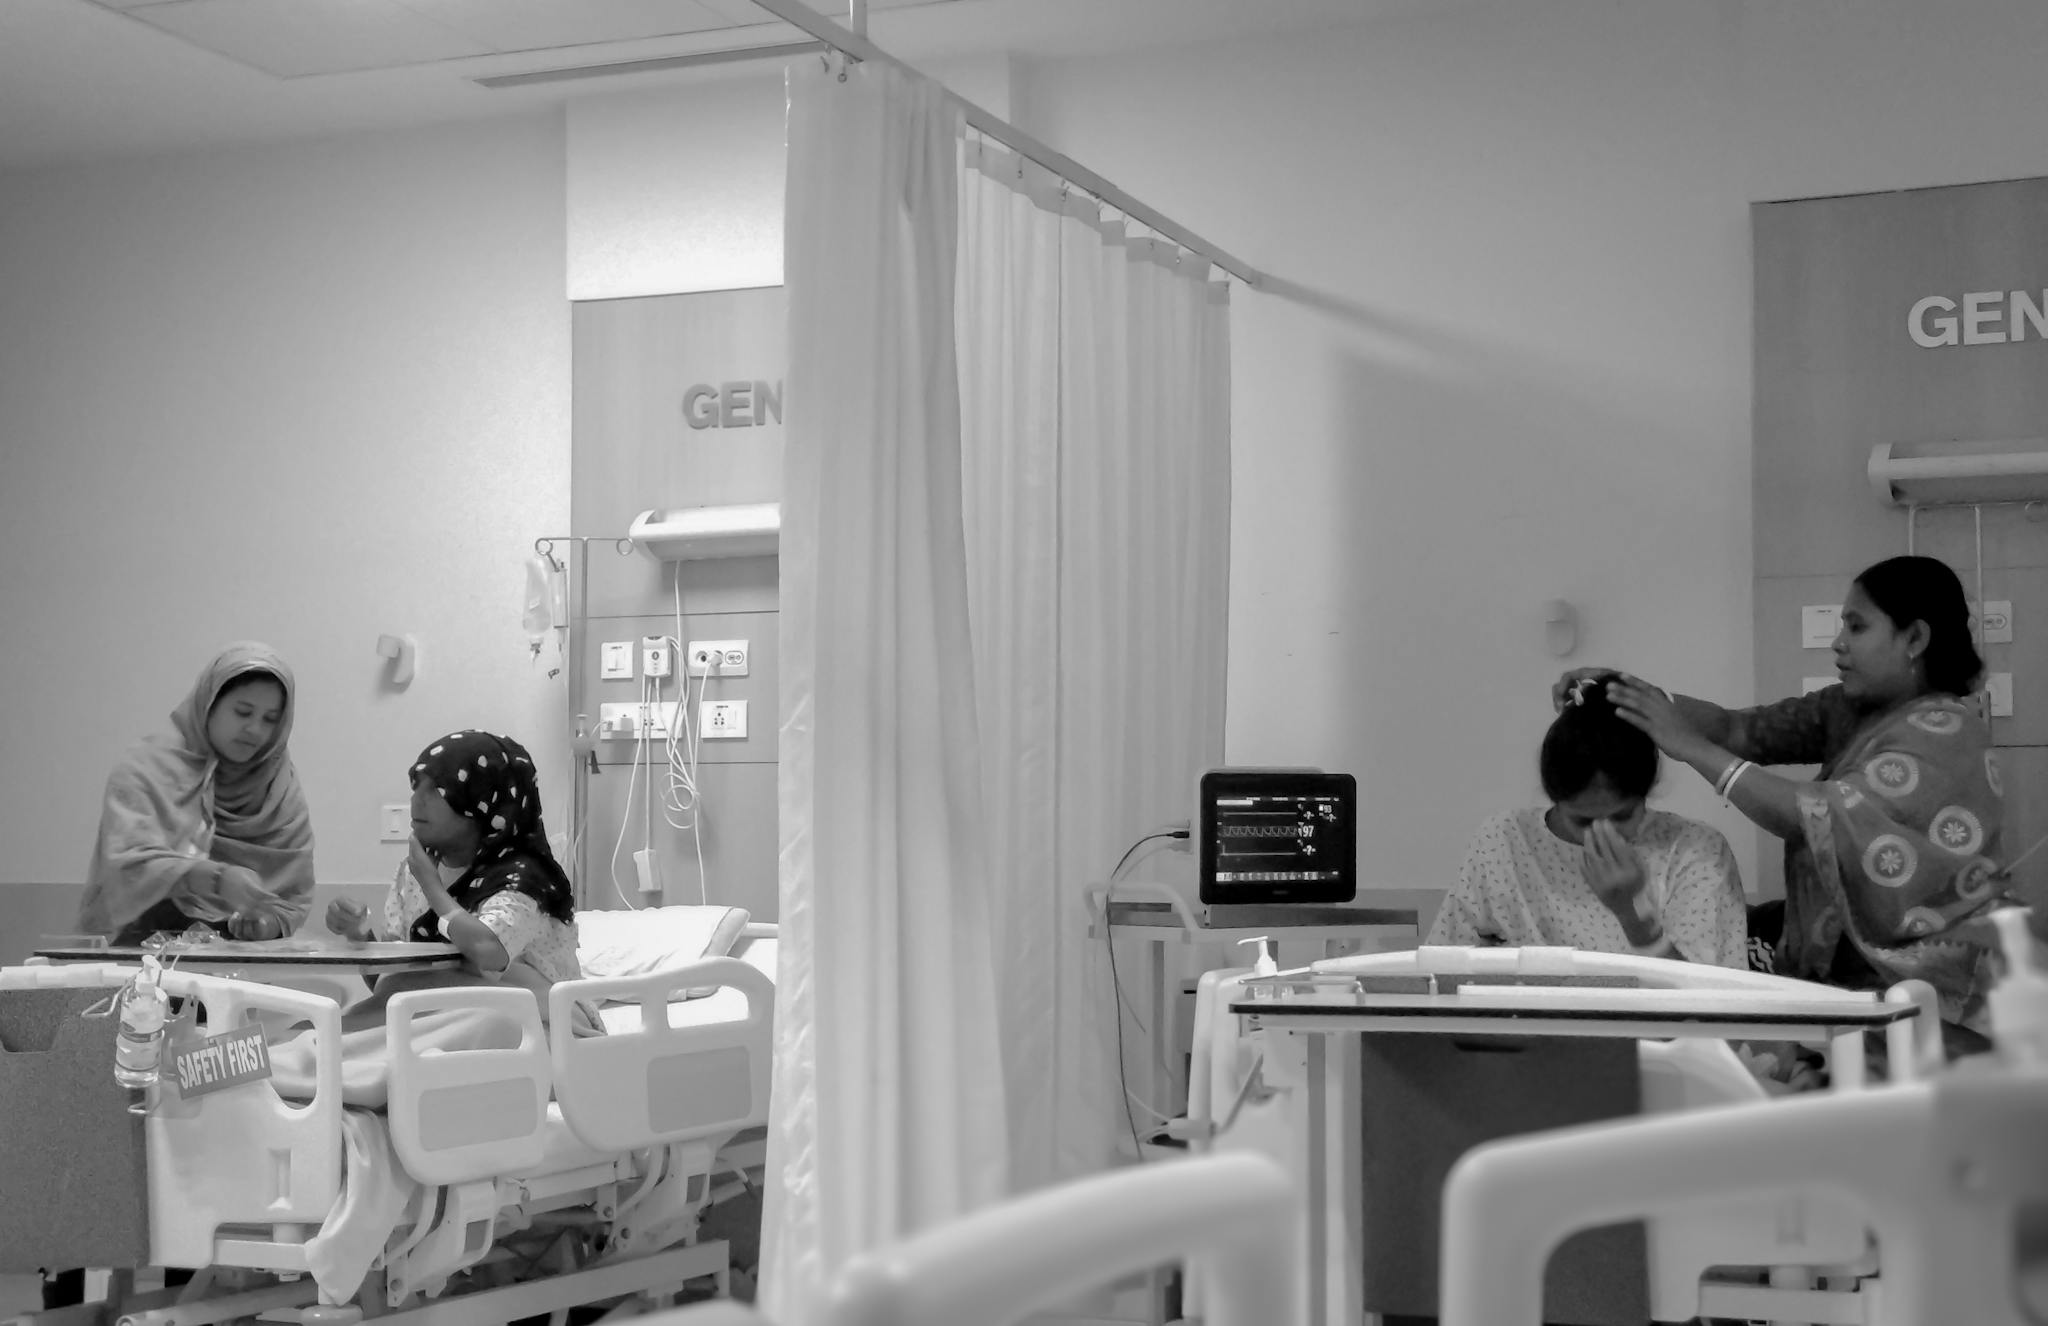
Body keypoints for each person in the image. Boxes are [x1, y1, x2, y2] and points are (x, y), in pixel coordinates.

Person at [1558, 555, 2011, 1054]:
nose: (1838, 642)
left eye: (1856, 626)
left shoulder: (1947, 735)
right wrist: (1625, 691)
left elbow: (1818, 817)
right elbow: (1737, 729)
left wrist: (1689, 748)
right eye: (1841, 624)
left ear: (1915, 639)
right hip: (1833, 991)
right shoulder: (1849, 708)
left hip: (1925, 996)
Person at [1429, 671, 1748, 966]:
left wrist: (1633, 912)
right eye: (1582, 822)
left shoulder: (1695, 850)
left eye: (1622, 816)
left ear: (1645, 794)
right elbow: (1442, 964)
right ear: (1553, 798)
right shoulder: (1503, 840)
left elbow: (1711, 1004)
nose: (1602, 836)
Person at [326, 729, 587, 1028]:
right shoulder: (413, 872)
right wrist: (359, 935)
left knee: (474, 1026)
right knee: (334, 1034)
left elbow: (489, 954)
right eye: (416, 786)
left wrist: (433, 889)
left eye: (437, 790)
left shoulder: (524, 877)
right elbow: (394, 984)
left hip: (540, 1022)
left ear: (482, 802)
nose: (417, 801)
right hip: (440, 1013)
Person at [78, 642, 314, 945]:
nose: (255, 730)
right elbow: (127, 868)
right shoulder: (147, 769)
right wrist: (214, 879)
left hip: (241, 973)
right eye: (243, 712)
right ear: (209, 703)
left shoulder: (278, 788)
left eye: (270, 719)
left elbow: (291, 898)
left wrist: (264, 924)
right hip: (142, 964)